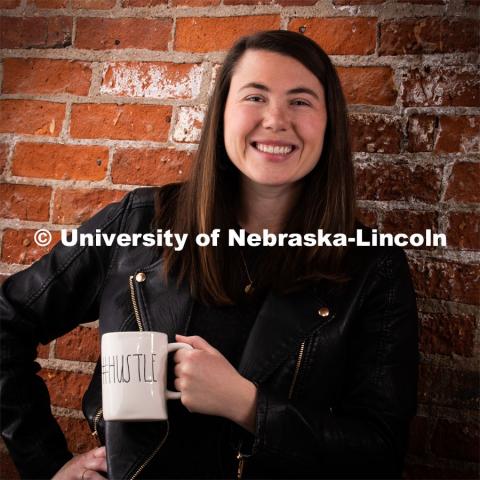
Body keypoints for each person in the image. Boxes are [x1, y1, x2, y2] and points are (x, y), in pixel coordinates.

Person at [0, 30, 419, 480]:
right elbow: (7, 320)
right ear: (222, 114)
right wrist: (48, 466)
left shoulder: (372, 266)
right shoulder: (139, 223)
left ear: (329, 122)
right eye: (255, 97)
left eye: (300, 101)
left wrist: (247, 405)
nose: (276, 119)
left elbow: (379, 452)